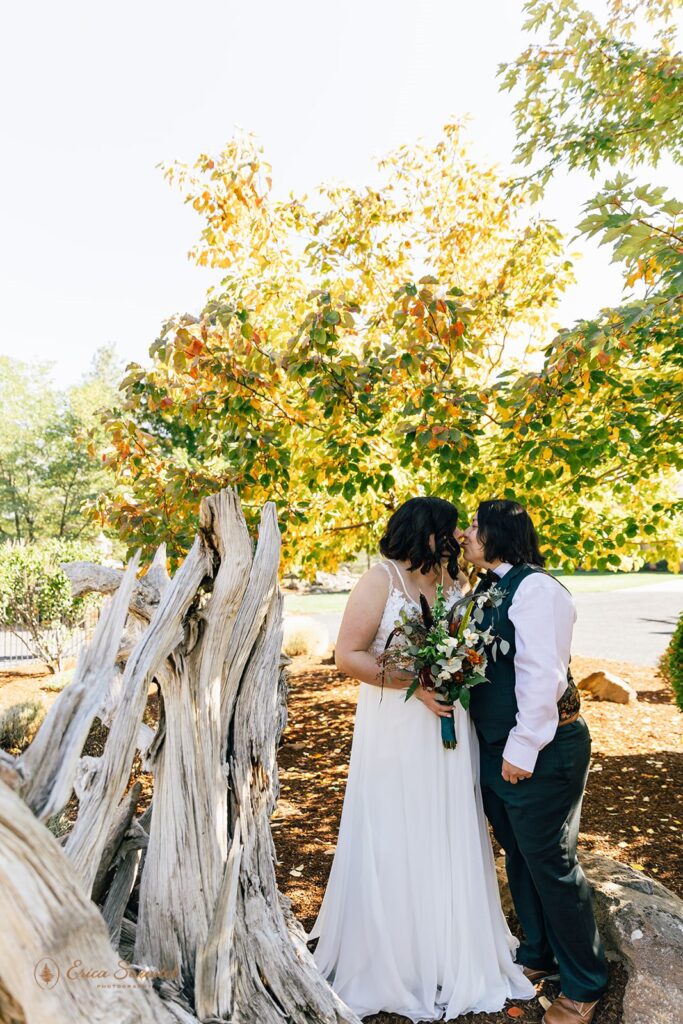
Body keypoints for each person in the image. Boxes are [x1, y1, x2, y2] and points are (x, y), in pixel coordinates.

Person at [308, 496, 535, 1021]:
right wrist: (418, 681)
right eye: (452, 530)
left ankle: (450, 948)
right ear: (426, 531)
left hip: (449, 728)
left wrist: (452, 675)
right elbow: (348, 655)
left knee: (447, 827)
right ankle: (397, 956)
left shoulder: (455, 584)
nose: (460, 539)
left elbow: (468, 645)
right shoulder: (380, 580)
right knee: (396, 826)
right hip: (396, 726)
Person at [457, 499, 609, 1024]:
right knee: (519, 855)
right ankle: (539, 953)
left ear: (499, 532)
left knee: (551, 862)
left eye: (474, 526)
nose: (464, 534)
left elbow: (544, 678)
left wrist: (521, 751)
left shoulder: (538, 590)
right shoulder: (487, 589)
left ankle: (586, 982)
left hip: (542, 748)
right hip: (499, 748)